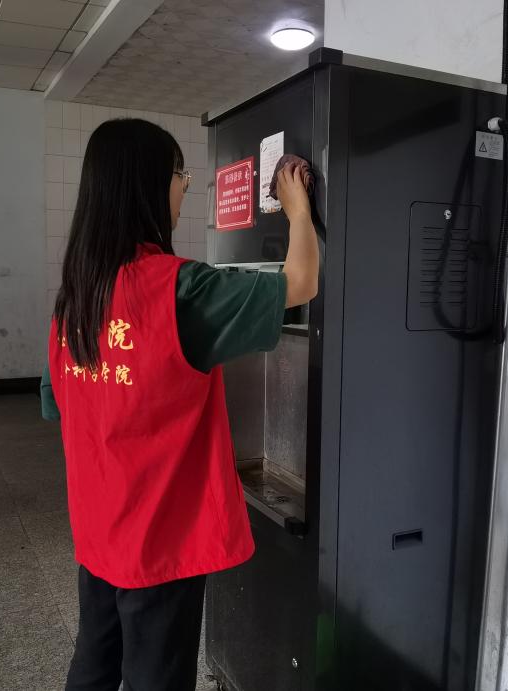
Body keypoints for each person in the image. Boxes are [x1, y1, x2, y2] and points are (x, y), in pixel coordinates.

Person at [41, 118, 318, 691]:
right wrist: (297, 211)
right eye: (178, 174)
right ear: (144, 184)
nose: (186, 187)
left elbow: (57, 403)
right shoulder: (180, 290)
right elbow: (299, 284)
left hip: (99, 529)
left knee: (94, 663)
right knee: (157, 677)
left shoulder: (75, 298)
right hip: (160, 537)